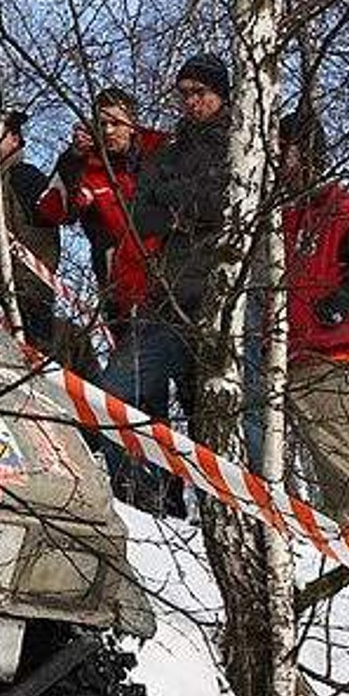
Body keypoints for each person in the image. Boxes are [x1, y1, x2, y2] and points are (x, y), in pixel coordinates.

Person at [100, 54, 234, 517]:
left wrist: (178, 205)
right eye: (184, 93)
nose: (192, 101)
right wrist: (186, 210)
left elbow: (222, 204)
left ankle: (224, 517)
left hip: (222, 301)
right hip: (167, 297)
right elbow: (142, 216)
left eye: (201, 92)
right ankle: (145, 499)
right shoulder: (170, 151)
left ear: (222, 94)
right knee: (116, 392)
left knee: (212, 419)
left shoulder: (242, 145)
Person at [275, 106, 349, 532]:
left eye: (283, 149)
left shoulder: (344, 208)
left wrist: (334, 307)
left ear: (304, 152)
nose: (276, 158)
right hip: (273, 350)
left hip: (324, 353)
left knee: (338, 461)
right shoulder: (276, 211)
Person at [33, 87, 166, 343]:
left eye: (116, 123)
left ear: (132, 124)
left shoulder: (160, 150)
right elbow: (51, 211)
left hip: (171, 282)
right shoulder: (86, 167)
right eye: (101, 124)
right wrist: (73, 159)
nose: (108, 131)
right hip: (120, 294)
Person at [0, 110, 98, 379]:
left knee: (36, 374)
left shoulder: (23, 177)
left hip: (27, 294)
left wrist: (74, 158)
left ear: (14, 139)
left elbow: (56, 206)